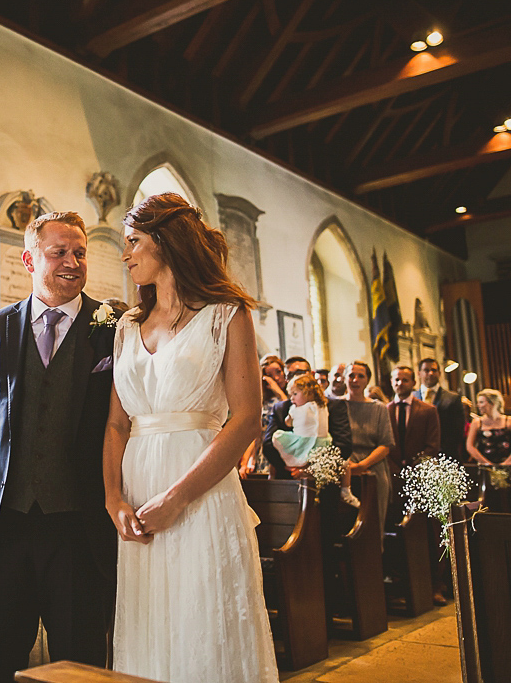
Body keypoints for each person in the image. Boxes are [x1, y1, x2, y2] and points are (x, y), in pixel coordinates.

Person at [103, 193, 278, 683]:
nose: (126, 254)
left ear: (165, 241)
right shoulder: (127, 326)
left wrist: (178, 497)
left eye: (134, 241)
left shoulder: (227, 313)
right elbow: (117, 424)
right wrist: (114, 499)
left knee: (204, 615)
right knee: (147, 620)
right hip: (137, 490)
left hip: (199, 490)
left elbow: (245, 419)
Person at [0, 212, 119, 683]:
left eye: (80, 252)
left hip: (79, 529)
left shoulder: (112, 329)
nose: (73, 262)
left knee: (82, 664)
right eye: (60, 252)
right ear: (30, 259)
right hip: (3, 528)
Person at [275, 373, 359, 507]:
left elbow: (344, 445)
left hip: (314, 447)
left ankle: (344, 490)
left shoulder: (319, 406)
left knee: (344, 462)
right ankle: (344, 489)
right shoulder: (316, 406)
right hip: (312, 444)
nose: (292, 398)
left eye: (295, 394)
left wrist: (311, 469)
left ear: (308, 392)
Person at [262, 355, 352, 480]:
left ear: (311, 374)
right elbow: (268, 445)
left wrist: (311, 469)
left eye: (300, 372)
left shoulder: (334, 405)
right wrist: (291, 465)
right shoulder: (281, 408)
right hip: (289, 478)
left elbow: (344, 445)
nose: (296, 377)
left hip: (323, 477)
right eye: (290, 375)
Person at [344, 361, 396, 529]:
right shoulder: (336, 405)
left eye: (360, 376)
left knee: (373, 524)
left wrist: (361, 465)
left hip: (374, 468)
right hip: (345, 470)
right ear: (345, 379)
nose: (355, 380)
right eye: (351, 375)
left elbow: (386, 444)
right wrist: (350, 466)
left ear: (367, 381)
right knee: (348, 524)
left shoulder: (379, 408)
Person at [388, 366, 441, 471]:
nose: (400, 383)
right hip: (392, 470)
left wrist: (417, 466)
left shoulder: (428, 410)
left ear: (414, 383)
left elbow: (433, 444)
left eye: (405, 380)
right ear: (391, 382)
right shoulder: (385, 410)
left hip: (420, 470)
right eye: (397, 380)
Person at [417, 357, 468, 462]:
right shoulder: (412, 398)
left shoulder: (453, 398)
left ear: (439, 373)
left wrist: (437, 452)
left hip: (446, 456)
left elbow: (458, 430)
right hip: (417, 456)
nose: (430, 373)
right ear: (419, 373)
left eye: (434, 370)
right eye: (426, 370)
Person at [465, 388, 511, 466]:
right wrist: (486, 463)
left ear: (492, 403)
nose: (478, 405)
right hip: (485, 466)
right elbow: (470, 446)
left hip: (508, 464)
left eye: (481, 402)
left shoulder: (509, 421)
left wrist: (507, 463)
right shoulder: (477, 423)